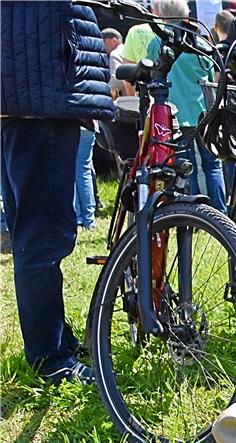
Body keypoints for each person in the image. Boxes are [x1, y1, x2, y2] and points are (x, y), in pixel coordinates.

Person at [1, 1, 114, 384]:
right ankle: (50, 358)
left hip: (19, 95)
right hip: (41, 93)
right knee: (43, 240)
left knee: (29, 235)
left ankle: (51, 339)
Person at [146, 0, 226, 211]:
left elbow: (149, 75)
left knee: (185, 169)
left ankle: (189, 212)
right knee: (213, 165)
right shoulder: (201, 42)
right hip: (204, 113)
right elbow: (211, 77)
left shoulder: (158, 41)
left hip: (176, 116)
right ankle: (222, 213)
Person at [103, 28, 127, 99]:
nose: (103, 45)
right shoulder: (127, 51)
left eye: (104, 41)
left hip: (125, 99)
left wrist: (107, 95)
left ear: (114, 40)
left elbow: (117, 79)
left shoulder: (115, 54)